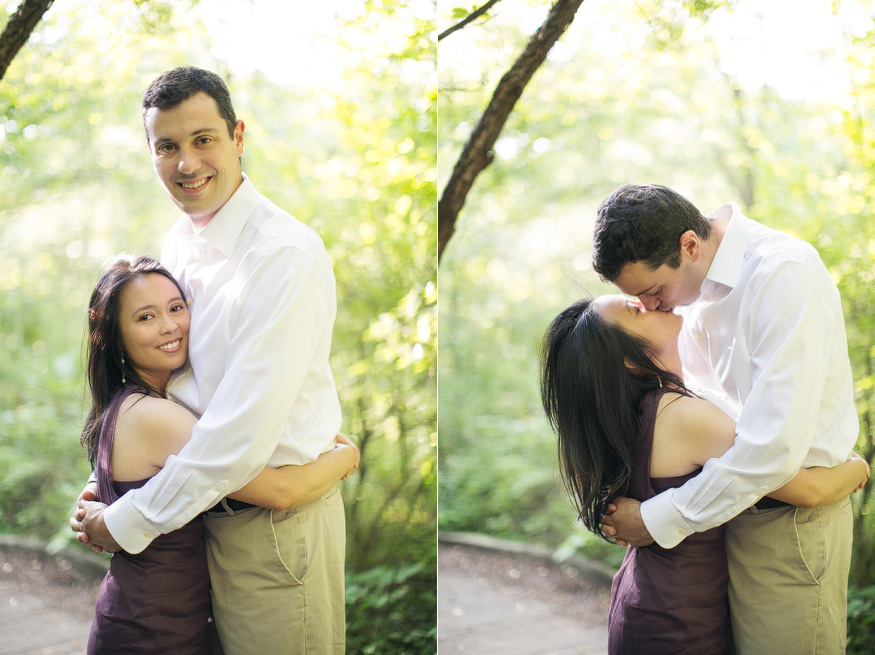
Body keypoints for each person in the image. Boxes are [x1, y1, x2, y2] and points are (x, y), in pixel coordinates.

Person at [71, 66, 350, 654]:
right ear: (151, 152)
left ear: (238, 136)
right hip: (194, 527)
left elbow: (237, 439)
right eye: (167, 146)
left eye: (203, 140)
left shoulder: (281, 255)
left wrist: (126, 519)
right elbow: (162, 383)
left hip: (271, 531)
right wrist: (108, 483)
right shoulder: (179, 243)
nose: (187, 163)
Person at [591, 184, 862, 653]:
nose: (653, 306)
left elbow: (771, 451)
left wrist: (655, 519)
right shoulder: (690, 294)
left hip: (788, 527)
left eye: (652, 292)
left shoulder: (782, 274)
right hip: (720, 524)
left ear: (689, 246)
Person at [539, 294, 868, 654]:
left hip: (647, 603)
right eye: (635, 309)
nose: (651, 302)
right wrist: (857, 467)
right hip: (679, 622)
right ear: (630, 359)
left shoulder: (628, 419)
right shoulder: (681, 416)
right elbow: (809, 491)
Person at [82, 255, 357, 655]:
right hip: (154, 628)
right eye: (146, 317)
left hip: (151, 613)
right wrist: (347, 457)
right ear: (113, 336)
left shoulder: (127, 404)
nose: (169, 325)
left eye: (176, 308)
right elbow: (280, 491)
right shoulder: (155, 417)